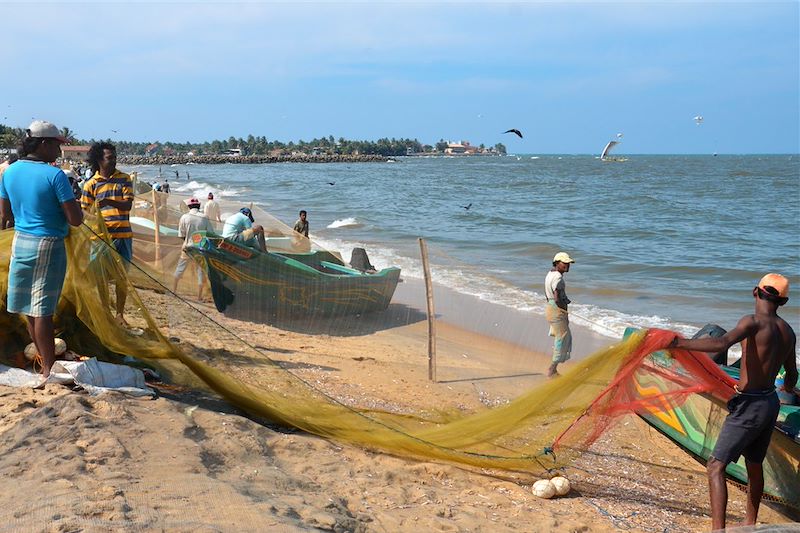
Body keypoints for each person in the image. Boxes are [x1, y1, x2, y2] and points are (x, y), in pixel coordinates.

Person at [670, 274, 797, 530]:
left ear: (755, 292)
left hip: (749, 406)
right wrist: (789, 388)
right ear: (783, 302)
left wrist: (680, 344)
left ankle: (718, 530)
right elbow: (792, 374)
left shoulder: (752, 321)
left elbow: (721, 341)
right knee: (754, 465)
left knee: (716, 466)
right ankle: (750, 522)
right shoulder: (788, 332)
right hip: (769, 403)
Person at [0, 120, 83, 381]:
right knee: (43, 311)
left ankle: (41, 360)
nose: (59, 152)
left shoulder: (9, 172)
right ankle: (47, 369)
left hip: (21, 242)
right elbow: (75, 219)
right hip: (48, 244)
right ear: (44, 144)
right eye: (57, 146)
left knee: (27, 307)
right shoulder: (55, 175)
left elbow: (5, 215)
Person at [81, 142, 135, 327]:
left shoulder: (124, 179)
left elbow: (128, 205)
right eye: (109, 158)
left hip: (122, 237)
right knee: (100, 278)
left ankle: (120, 314)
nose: (113, 161)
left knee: (121, 277)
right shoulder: (91, 184)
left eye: (114, 157)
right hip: (99, 239)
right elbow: (84, 212)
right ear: (99, 160)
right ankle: (105, 311)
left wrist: (108, 202)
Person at [172, 198, 213, 300]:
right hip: (200, 248)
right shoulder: (204, 217)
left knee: (180, 269)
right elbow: (211, 233)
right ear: (198, 206)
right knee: (201, 272)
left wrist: (187, 241)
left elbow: (181, 235)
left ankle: (173, 291)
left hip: (187, 247)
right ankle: (199, 297)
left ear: (189, 207)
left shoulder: (184, 217)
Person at [544, 252, 575, 377]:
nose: (567, 265)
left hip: (550, 308)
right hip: (557, 310)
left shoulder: (550, 274)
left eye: (568, 263)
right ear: (557, 263)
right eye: (564, 263)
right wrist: (564, 310)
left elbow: (550, 296)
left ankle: (554, 369)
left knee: (562, 337)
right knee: (562, 339)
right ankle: (552, 370)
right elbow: (558, 298)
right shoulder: (558, 278)